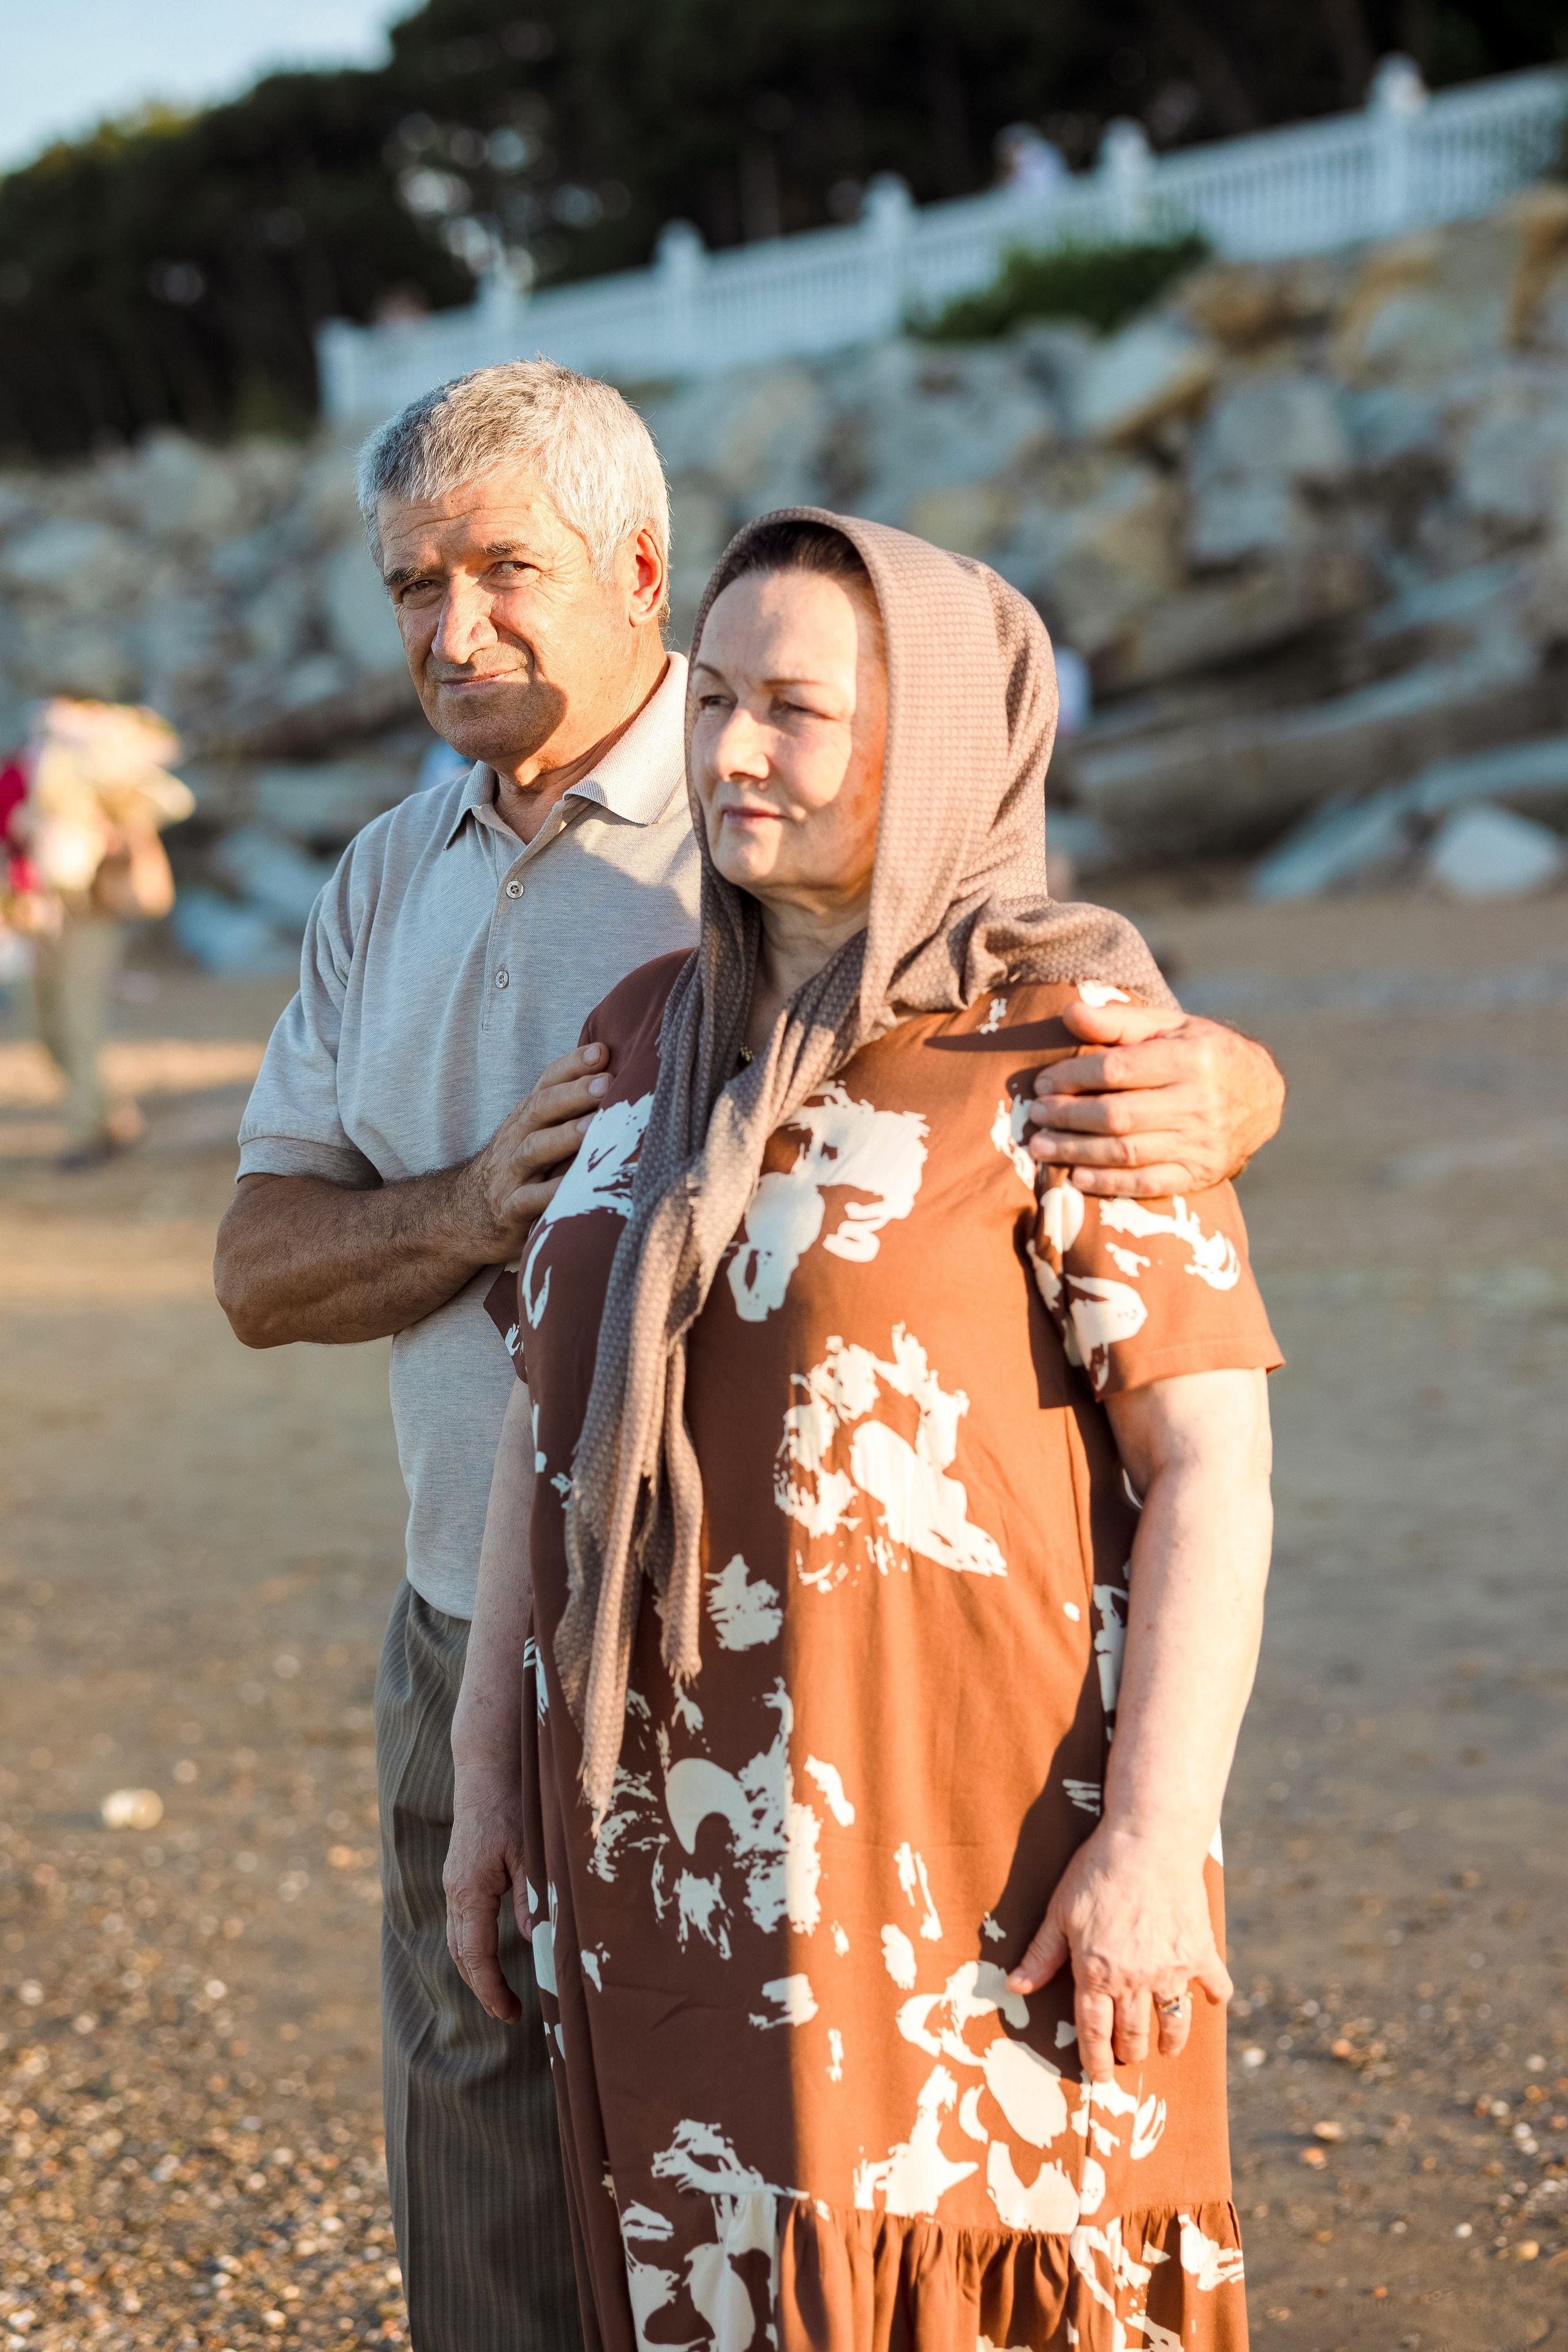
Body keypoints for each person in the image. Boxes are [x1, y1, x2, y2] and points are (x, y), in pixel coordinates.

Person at [214, 360, 1285, 2352]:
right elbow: (262, 1267)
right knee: (523, 2234)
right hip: (488, 1639)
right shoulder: (423, 899)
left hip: (879, 1715)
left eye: (503, 573)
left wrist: (1238, 1081)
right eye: (411, 588)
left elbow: (1148, 1196)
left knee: (866, 2244)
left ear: (640, 567)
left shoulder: (883, 904)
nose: (455, 631)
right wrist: (470, 1207)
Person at [5, 699, 192, 1168]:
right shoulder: (17, 775)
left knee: (79, 1021)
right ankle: (114, 1116)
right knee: (47, 1029)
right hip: (29, 916)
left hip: (89, 912)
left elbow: (145, 820)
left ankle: (85, 1135)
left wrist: (106, 833)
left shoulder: (106, 775)